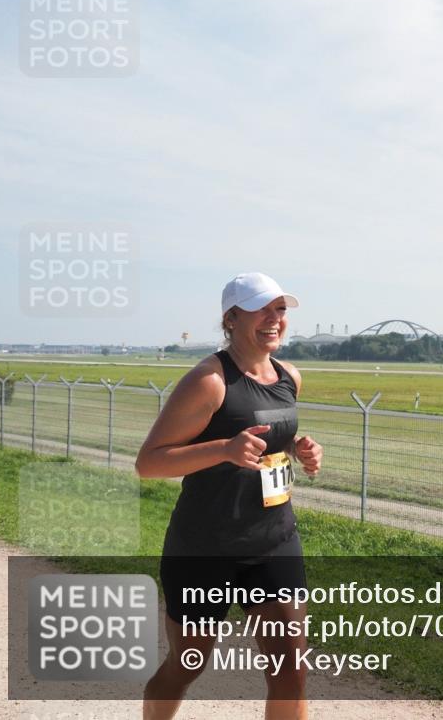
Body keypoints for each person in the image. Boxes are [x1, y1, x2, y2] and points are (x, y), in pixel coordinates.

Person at [136, 272, 323, 720]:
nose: (274, 319)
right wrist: (223, 448)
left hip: (273, 540)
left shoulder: (289, 376)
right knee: (187, 663)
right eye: (261, 309)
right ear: (231, 319)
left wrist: (299, 449)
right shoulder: (210, 380)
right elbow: (149, 462)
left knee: (291, 670)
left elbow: (268, 442)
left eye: (280, 309)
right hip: (205, 548)